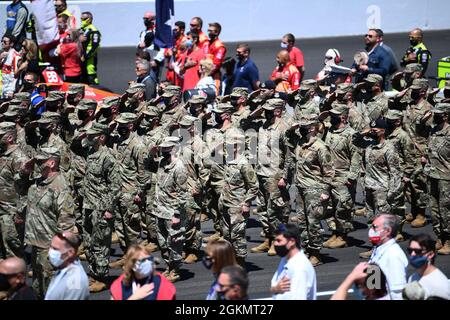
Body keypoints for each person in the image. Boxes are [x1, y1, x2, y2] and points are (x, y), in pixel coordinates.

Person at [24, 147, 76, 299]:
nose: (37, 164)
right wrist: (24, 171)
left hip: (50, 245)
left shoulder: (60, 186)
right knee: (37, 285)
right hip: (36, 242)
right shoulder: (38, 182)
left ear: (52, 163)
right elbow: (18, 189)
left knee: (51, 287)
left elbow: (66, 220)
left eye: (40, 161)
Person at [287, 114, 334, 266]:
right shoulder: (300, 143)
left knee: (313, 222)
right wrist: (292, 128)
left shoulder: (320, 147)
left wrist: (326, 191)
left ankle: (316, 253)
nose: (301, 130)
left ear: (312, 128)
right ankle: (306, 249)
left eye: (304, 127)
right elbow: (286, 138)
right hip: (300, 187)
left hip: (314, 188)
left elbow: (329, 171)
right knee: (302, 222)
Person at [82, 123, 118, 292]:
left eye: (92, 136)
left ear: (101, 137)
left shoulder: (107, 157)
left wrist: (109, 209)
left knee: (101, 243)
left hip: (102, 207)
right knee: (88, 242)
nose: (88, 138)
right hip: (88, 205)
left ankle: (102, 277)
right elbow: (75, 144)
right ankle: (93, 272)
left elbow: (115, 186)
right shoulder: (91, 153)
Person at [148, 136, 188, 282]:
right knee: (163, 241)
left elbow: (183, 193)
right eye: (162, 148)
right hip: (160, 210)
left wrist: (177, 214)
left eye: (167, 148)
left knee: (175, 242)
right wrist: (151, 154)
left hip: (172, 212)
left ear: (175, 149)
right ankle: (169, 266)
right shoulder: (162, 163)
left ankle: (176, 270)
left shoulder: (179, 167)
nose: (163, 151)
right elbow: (148, 166)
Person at [322, 104, 361, 249]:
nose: (331, 118)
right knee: (330, 207)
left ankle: (343, 235)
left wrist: (351, 176)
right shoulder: (330, 131)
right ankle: (334, 232)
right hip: (330, 175)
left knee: (343, 206)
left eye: (335, 116)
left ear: (343, 117)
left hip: (343, 175)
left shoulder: (351, 134)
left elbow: (356, 156)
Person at [218, 129, 259, 266]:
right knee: (226, 236)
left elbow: (254, 186)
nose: (227, 147)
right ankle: (231, 261)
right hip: (226, 203)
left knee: (237, 236)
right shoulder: (229, 160)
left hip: (237, 205)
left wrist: (246, 203)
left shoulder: (244, 164)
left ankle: (240, 263)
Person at [0, 122, 30, 259]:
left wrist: (20, 213)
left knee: (12, 245)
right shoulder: (3, 154)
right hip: (2, 207)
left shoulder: (19, 158)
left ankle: (15, 277)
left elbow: (25, 188)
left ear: (10, 137)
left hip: (11, 210)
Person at [424, 103, 450, 255]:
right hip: (432, 175)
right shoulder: (433, 131)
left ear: (446, 115)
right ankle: (440, 237)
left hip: (446, 177)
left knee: (446, 209)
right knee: (434, 209)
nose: (435, 116)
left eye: (439, 113)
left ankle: (448, 240)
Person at [110, 244, 176, 300]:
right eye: (142, 260)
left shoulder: (164, 285)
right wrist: (134, 298)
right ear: (132, 265)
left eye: (149, 259)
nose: (147, 262)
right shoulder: (119, 286)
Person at [366, 214, 408, 300]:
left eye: (375, 227)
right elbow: (373, 284)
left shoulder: (393, 255)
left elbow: (398, 294)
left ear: (387, 231)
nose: (371, 230)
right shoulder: (378, 249)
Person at [270, 224, 316, 300]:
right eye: (275, 240)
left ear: (291, 241)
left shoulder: (299, 268)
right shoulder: (285, 259)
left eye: (279, 241)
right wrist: (276, 289)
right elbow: (273, 288)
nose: (275, 244)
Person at [45, 232, 89, 300]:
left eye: (55, 249)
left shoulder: (74, 282)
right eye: (51, 247)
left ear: (70, 252)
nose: (50, 252)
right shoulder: (63, 267)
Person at [406, 233, 450, 300]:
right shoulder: (413, 277)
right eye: (410, 250)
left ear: (430, 254)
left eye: (418, 251)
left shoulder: (438, 285)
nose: (412, 254)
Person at [80, 11, 101, 85]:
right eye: (81, 19)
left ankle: (97, 91)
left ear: (90, 19)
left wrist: (86, 56)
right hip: (81, 57)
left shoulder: (93, 30)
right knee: (82, 77)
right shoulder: (82, 29)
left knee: (91, 76)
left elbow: (95, 45)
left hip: (90, 59)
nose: (82, 21)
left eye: (84, 19)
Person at [207, 22, 226, 92]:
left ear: (217, 32)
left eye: (211, 31)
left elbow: (215, 65)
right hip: (204, 76)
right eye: (208, 31)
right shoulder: (207, 44)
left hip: (214, 78)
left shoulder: (220, 47)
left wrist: (205, 75)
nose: (209, 33)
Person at [0, 34, 21, 99]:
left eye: (5, 42)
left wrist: (12, 90)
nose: (2, 43)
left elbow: (16, 75)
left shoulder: (16, 56)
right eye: (2, 41)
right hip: (2, 87)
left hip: (10, 89)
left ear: (11, 44)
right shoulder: (2, 54)